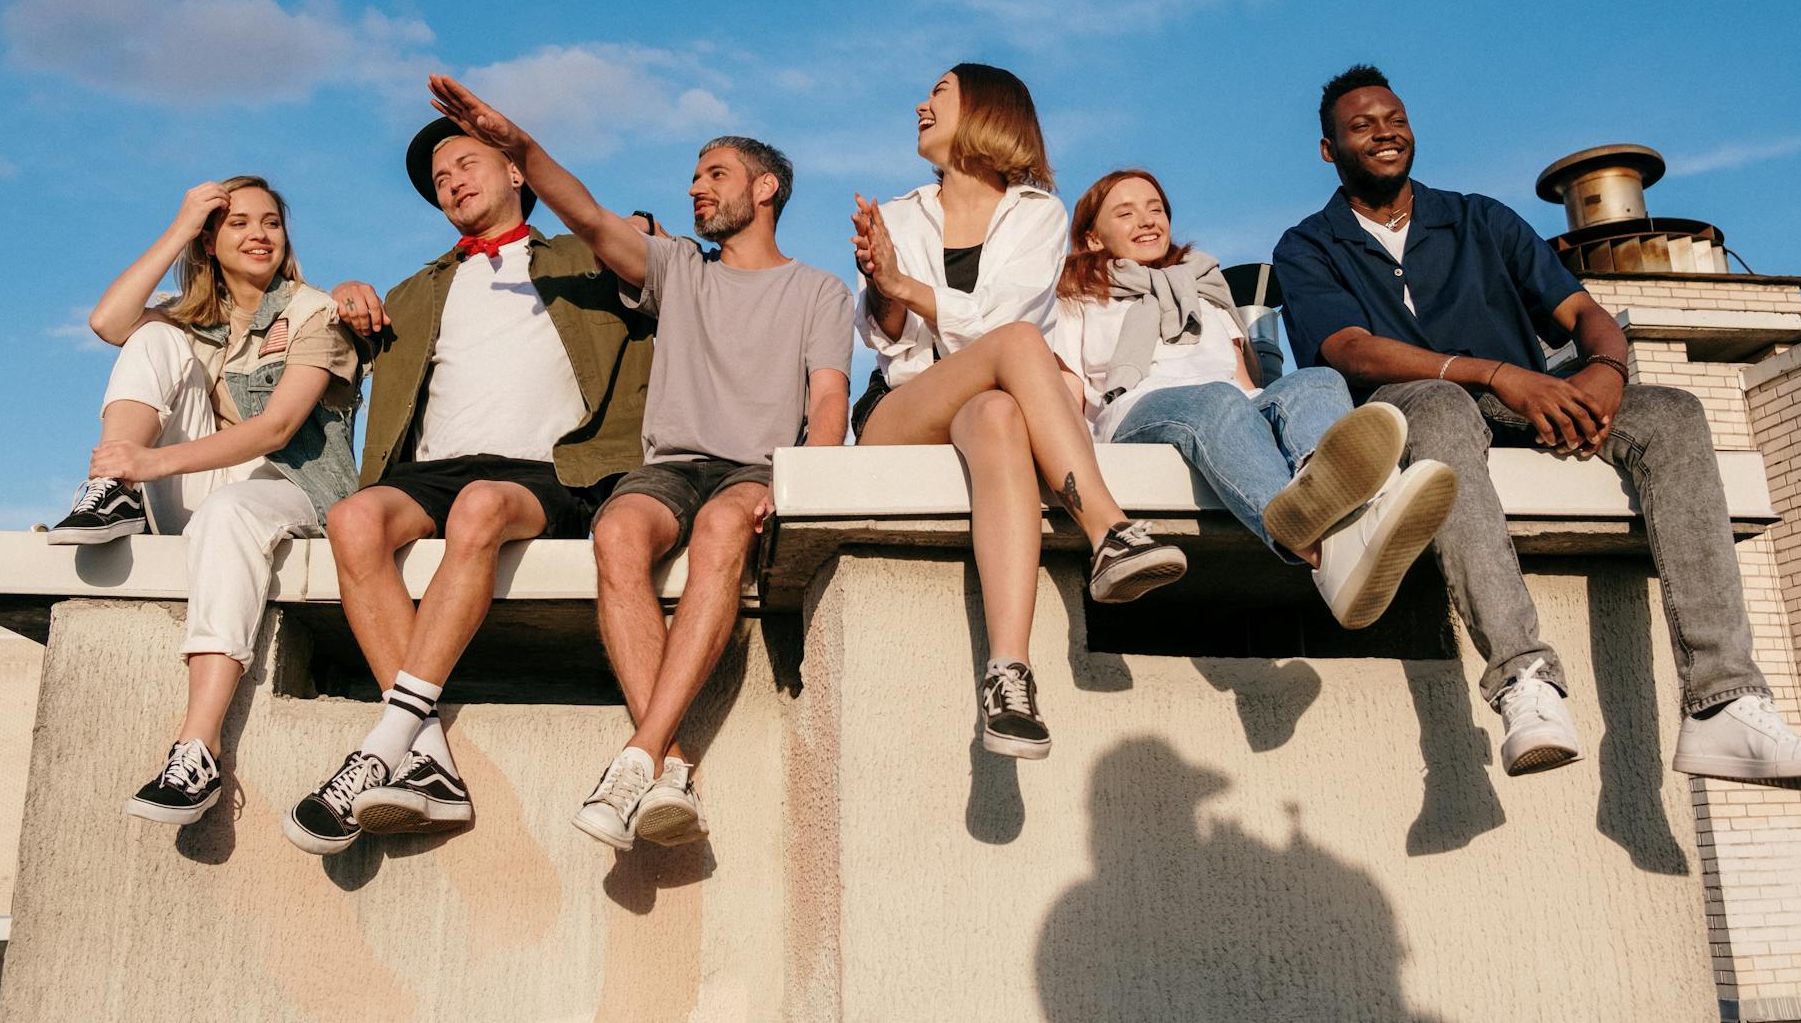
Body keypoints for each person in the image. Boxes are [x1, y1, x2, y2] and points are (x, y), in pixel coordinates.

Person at [1273, 63, 1801, 783]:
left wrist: (1605, 369)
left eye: (1395, 118)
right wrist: (1496, 373)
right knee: (1440, 406)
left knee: (1674, 412)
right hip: (1409, 405)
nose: (1385, 133)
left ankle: (1723, 701)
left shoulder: (1480, 217)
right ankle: (1522, 680)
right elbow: (1347, 348)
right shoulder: (1309, 244)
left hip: (1524, 395)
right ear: (1329, 149)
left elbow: (1583, 313)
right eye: (1362, 125)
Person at [425, 75, 852, 852]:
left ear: (765, 188)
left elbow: (828, 402)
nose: (696, 188)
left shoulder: (820, 290)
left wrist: (798, 484)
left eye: (714, 174)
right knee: (617, 531)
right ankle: (669, 763)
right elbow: (585, 215)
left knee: (724, 530)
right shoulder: (677, 270)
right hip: (673, 465)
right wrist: (518, 145)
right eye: (693, 176)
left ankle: (638, 755)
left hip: (755, 469)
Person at [282, 106, 656, 855]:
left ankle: (385, 740)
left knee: (482, 507)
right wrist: (343, 293)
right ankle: (431, 762)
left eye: (466, 164)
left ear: (517, 170)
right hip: (430, 471)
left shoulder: (584, 263)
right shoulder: (416, 290)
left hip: (550, 471)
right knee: (354, 519)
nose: (449, 181)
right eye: (438, 178)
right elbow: (324, 343)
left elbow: (646, 263)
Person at [851, 64, 1188, 763]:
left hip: (985, 402)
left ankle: (1009, 676)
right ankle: (1108, 526)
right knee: (1017, 349)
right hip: (902, 411)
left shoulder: (1038, 213)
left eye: (939, 92)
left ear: (987, 111)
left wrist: (904, 283)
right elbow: (890, 340)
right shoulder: (903, 213)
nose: (921, 102)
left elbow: (999, 325)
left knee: (1001, 412)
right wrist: (882, 285)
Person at [46, 177, 359, 826]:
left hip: (292, 487)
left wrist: (151, 461)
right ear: (210, 242)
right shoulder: (193, 317)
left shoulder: (313, 310)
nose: (258, 234)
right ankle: (113, 494)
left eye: (270, 222)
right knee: (150, 336)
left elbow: (275, 430)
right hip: (202, 480)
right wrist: (183, 222)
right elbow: (107, 322)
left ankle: (197, 749)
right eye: (237, 222)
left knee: (231, 512)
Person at [1053, 169, 1456, 628]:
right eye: (1125, 213)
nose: (1146, 221)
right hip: (1136, 413)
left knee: (1316, 380)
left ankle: (1326, 488)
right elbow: (1064, 391)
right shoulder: (1075, 300)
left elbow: (1247, 384)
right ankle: (1324, 555)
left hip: (1226, 405)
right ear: (1090, 238)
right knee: (1217, 399)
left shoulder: (1204, 292)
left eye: (1156, 209)